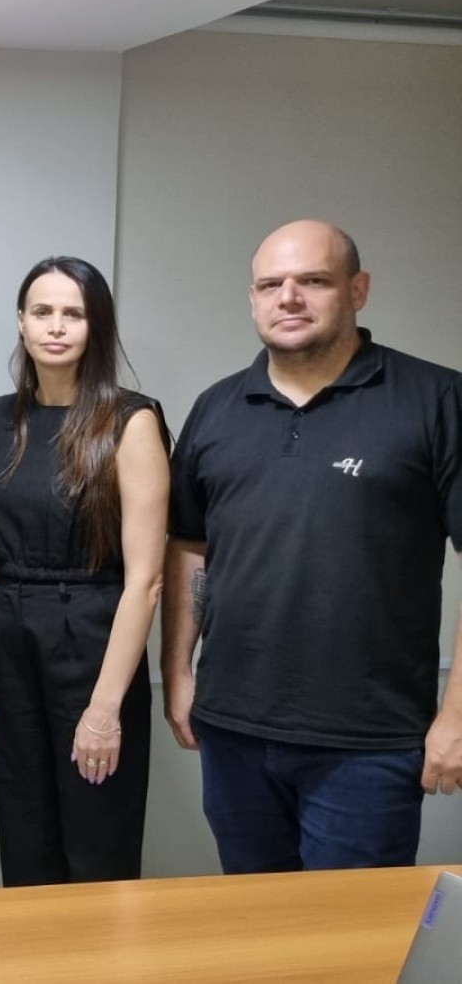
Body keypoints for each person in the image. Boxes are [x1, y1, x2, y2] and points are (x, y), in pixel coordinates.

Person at [163, 220, 462, 873]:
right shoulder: (216, 408)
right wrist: (179, 672)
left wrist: (457, 715)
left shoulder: (437, 399)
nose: (289, 297)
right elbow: (189, 547)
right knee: (259, 923)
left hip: (369, 742)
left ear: (358, 289)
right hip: (234, 730)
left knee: (354, 932)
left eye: (314, 281)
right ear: (253, 298)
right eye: (271, 284)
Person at [0, 256, 170, 886]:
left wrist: (105, 709)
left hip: (94, 642)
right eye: (42, 312)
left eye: (72, 314)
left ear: (95, 325)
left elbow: (146, 581)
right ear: (21, 323)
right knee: (25, 838)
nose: (56, 326)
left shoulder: (131, 420)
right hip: (10, 641)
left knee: (95, 841)